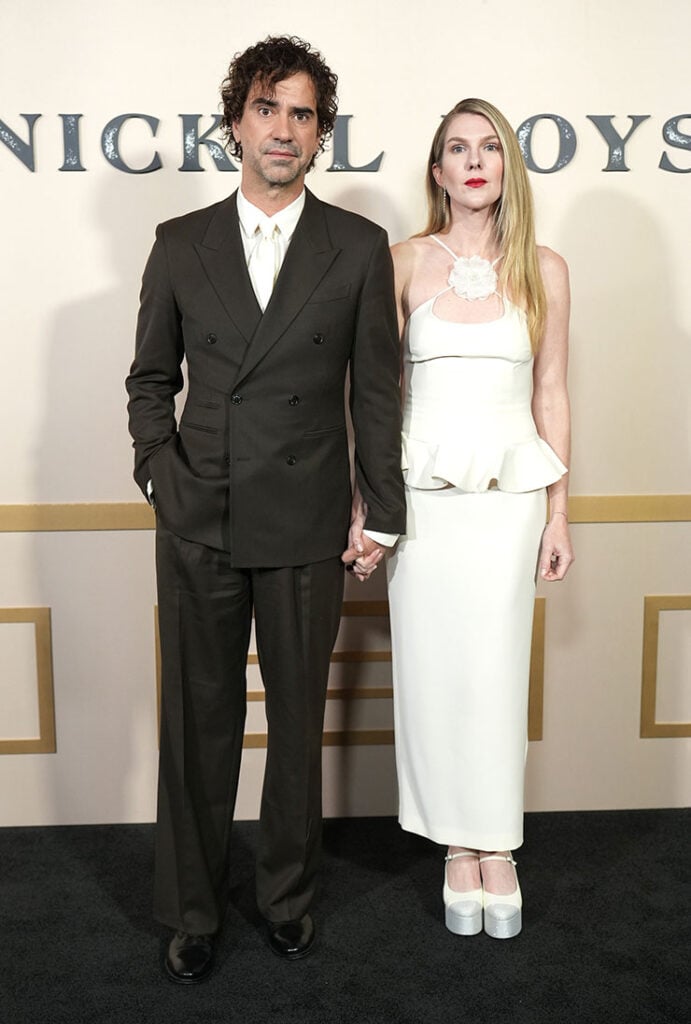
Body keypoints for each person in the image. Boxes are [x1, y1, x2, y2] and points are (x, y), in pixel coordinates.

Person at [126, 35, 405, 983]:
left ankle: (286, 898)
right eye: (266, 109)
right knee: (197, 722)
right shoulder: (178, 243)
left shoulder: (358, 248)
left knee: (295, 727)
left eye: (301, 114)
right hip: (199, 518)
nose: (282, 129)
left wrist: (384, 510)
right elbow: (149, 380)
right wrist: (159, 470)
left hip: (307, 521)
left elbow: (376, 393)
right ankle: (193, 911)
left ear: (320, 134)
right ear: (235, 122)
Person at [386, 98, 574, 940]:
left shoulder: (546, 268)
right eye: (456, 149)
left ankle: (497, 844)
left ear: (506, 167)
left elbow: (551, 393)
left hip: (508, 504)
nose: (473, 161)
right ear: (435, 171)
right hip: (422, 503)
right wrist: (370, 505)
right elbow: (377, 399)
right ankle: (455, 845)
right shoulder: (400, 263)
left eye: (488, 147)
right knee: (433, 673)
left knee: (496, 674)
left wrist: (558, 514)